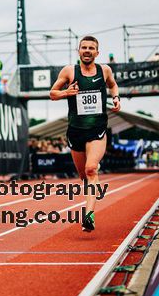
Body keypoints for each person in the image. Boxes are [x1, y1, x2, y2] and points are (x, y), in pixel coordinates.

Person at [49, 35, 120, 232]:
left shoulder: (104, 70)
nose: (87, 50)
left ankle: (88, 215)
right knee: (83, 176)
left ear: (97, 52)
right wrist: (66, 93)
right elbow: (52, 93)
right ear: (78, 51)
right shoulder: (69, 71)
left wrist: (116, 98)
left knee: (91, 169)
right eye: (84, 48)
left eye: (91, 48)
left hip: (97, 128)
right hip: (75, 131)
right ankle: (91, 188)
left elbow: (113, 85)